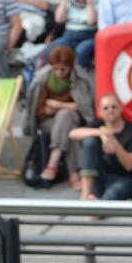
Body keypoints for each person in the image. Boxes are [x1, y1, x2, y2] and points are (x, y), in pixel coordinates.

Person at [23, 46, 94, 189]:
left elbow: (83, 107)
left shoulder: (80, 78)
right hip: (49, 122)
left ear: (70, 67)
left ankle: (52, 163)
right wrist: (66, 106)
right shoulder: (42, 79)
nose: (59, 73)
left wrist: (58, 105)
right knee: (70, 131)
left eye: (63, 69)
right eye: (56, 69)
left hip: (74, 117)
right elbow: (39, 109)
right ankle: (74, 175)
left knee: (65, 115)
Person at [70, 94, 132, 202]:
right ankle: (85, 196)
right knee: (89, 142)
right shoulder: (97, 124)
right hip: (99, 177)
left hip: (123, 179)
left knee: (112, 194)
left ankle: (93, 211)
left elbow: (129, 165)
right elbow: (73, 133)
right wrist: (101, 132)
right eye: (106, 108)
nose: (110, 110)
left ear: (121, 108)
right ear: (100, 111)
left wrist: (113, 141)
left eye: (114, 107)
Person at [49, 0, 99, 69]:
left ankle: (80, 79)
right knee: (50, 49)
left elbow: (91, 21)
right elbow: (59, 19)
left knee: (81, 51)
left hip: (88, 36)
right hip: (69, 35)